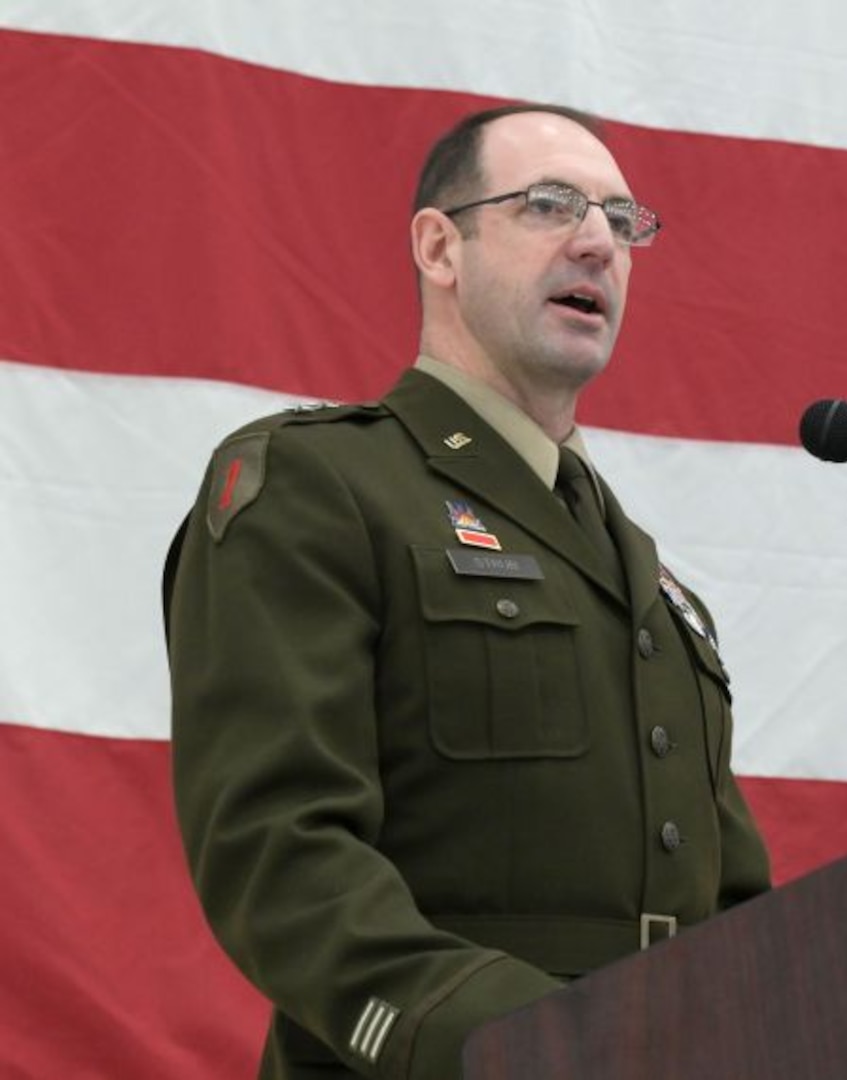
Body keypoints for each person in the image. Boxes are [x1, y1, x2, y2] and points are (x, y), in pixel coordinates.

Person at [164, 103, 771, 1079]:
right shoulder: (323, 487)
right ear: (440, 248)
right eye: (550, 205)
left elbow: (734, 904)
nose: (596, 243)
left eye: (621, 222)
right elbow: (278, 857)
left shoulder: (654, 584)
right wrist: (519, 1044)